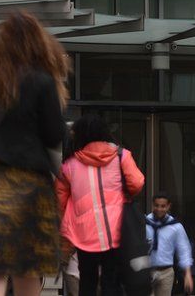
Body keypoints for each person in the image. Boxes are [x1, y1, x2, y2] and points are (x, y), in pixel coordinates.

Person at [0, 11, 69, 296]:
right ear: (38, 43)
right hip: (31, 185)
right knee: (26, 267)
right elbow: (55, 135)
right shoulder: (42, 82)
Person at [57, 114, 146, 296]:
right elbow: (137, 183)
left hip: (84, 234)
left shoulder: (69, 165)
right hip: (116, 231)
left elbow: (59, 200)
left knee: (87, 281)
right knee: (111, 281)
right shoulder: (121, 156)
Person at [146, 193, 194, 296]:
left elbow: (184, 250)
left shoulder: (176, 226)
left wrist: (188, 274)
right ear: (152, 205)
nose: (159, 209)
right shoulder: (144, 223)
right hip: (147, 271)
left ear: (168, 206)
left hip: (166, 272)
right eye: (156, 205)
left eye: (163, 206)